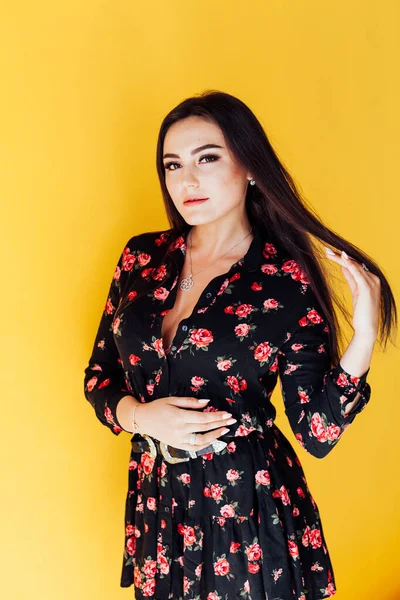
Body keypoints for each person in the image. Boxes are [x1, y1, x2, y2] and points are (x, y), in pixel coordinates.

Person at [83, 91, 396, 600]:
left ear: (249, 164)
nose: (187, 180)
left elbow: (315, 432)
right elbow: (99, 378)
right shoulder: (140, 258)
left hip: (245, 505)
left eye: (208, 159)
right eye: (173, 165)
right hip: (157, 504)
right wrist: (141, 418)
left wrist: (362, 340)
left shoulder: (286, 280)